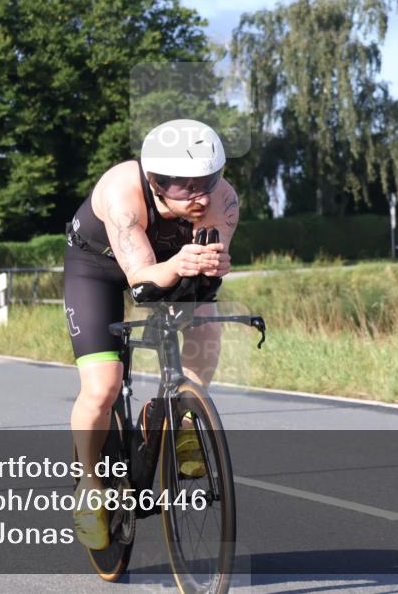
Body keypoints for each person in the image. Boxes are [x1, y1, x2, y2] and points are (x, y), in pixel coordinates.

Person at [64, 119, 239, 549]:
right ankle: (89, 487)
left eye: (207, 180)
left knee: (205, 329)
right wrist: (182, 264)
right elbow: (142, 283)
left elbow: (201, 285)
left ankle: (179, 417)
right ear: (157, 182)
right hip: (98, 268)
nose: (199, 196)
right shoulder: (123, 194)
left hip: (167, 261)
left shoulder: (224, 200)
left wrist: (213, 267)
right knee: (102, 387)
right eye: (183, 187)